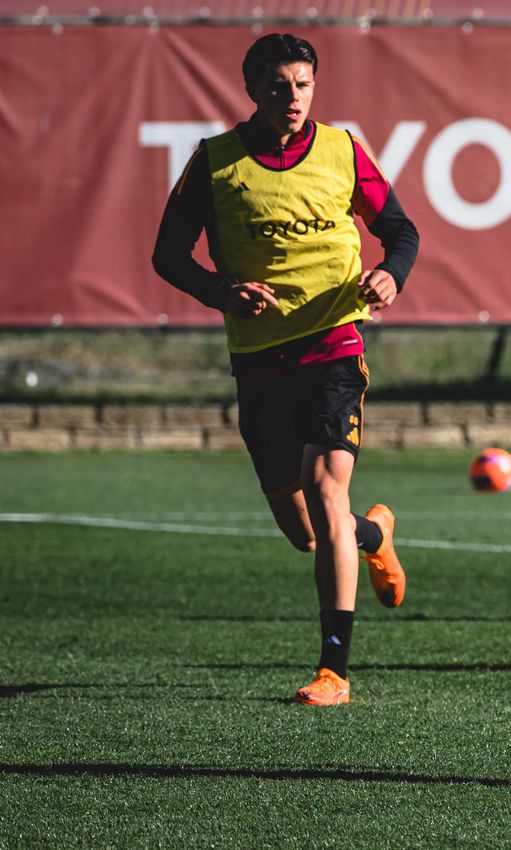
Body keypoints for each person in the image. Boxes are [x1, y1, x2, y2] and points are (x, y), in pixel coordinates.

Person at [152, 33, 420, 706]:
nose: (293, 97)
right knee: (306, 533)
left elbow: (401, 231)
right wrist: (222, 291)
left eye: (302, 84)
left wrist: (390, 273)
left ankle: (334, 671)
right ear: (252, 90)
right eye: (278, 85)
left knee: (327, 495)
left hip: (334, 346)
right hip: (258, 360)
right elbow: (168, 256)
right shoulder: (215, 161)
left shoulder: (343, 149)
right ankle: (373, 534)